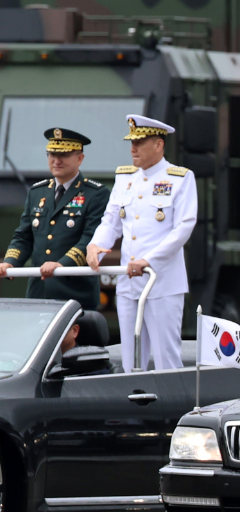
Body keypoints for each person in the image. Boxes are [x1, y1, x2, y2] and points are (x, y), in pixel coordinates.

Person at [87, 114, 197, 372]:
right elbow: (111, 221)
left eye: (140, 142)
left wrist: (149, 260)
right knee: (130, 358)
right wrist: (95, 247)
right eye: (131, 142)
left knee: (165, 358)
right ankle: (132, 411)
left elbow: (183, 227)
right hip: (128, 282)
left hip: (162, 281)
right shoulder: (125, 177)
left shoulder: (179, 178)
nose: (132, 148)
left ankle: (171, 412)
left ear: (158, 145)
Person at [0, 127, 110, 310]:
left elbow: (91, 239)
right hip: (39, 292)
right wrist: (10, 262)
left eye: (64, 155)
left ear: (79, 158)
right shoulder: (37, 192)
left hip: (76, 293)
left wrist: (60, 265)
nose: (56, 160)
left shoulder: (96, 194)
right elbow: (23, 236)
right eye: (52, 154)